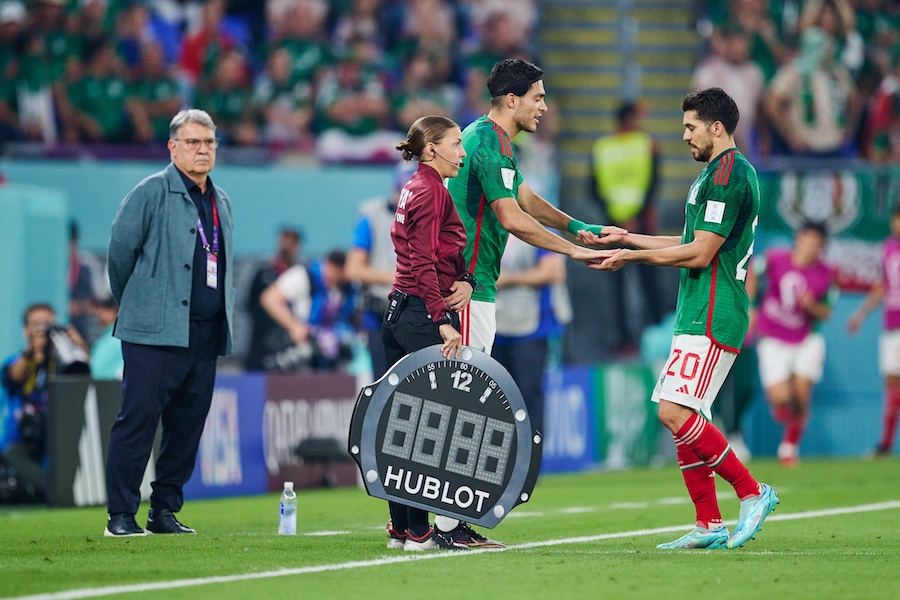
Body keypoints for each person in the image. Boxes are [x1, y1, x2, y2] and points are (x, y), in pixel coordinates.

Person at [587, 87, 779, 550]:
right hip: (696, 309)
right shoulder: (715, 173)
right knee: (683, 414)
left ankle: (753, 492)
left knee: (673, 411)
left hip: (714, 312)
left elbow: (700, 253)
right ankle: (708, 524)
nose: (685, 135)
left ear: (717, 127)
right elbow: (691, 237)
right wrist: (630, 239)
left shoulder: (729, 174)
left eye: (691, 127)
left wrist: (631, 259)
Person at [441, 57, 620, 544]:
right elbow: (512, 218)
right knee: (464, 404)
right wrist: (573, 251)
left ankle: (434, 522)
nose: (544, 106)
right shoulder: (486, 140)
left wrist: (576, 225)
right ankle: (447, 524)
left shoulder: (488, 139)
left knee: (463, 400)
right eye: (538, 97)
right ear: (513, 100)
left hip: (476, 285)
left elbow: (524, 198)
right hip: (468, 286)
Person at [104, 109, 234, 537]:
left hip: (204, 333)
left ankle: (163, 511)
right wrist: (143, 308)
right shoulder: (150, 192)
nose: (202, 150)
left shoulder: (221, 200)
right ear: (173, 147)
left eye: (209, 142)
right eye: (193, 142)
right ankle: (121, 515)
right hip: (153, 333)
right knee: (138, 420)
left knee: (186, 428)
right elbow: (119, 258)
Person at [381, 114, 479, 551]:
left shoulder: (413, 187)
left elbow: (437, 254)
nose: (463, 152)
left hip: (400, 310)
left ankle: (404, 527)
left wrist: (467, 280)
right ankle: (421, 532)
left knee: (400, 422)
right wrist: (441, 317)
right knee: (428, 425)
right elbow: (423, 262)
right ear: (431, 149)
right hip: (421, 314)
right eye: (457, 144)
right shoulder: (432, 191)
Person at [747, 222, 836, 467]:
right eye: (807, 239)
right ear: (798, 239)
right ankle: (789, 419)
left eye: (817, 243)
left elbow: (827, 311)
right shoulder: (775, 259)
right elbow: (753, 271)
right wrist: (751, 307)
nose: (811, 246)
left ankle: (789, 446)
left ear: (822, 247)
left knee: (802, 392)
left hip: (805, 337)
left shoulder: (826, 273)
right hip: (773, 334)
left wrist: (812, 306)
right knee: (780, 398)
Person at [590, 100, 665, 353]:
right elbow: (653, 183)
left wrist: (614, 216)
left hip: (612, 225)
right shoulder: (646, 144)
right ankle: (658, 334)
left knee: (618, 284)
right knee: (648, 280)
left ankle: (625, 340)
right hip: (640, 225)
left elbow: (593, 189)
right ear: (630, 119)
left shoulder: (602, 148)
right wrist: (636, 216)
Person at [1, 304, 86, 502]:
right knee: (11, 452)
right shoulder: (16, 360)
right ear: (26, 330)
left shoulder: (63, 360)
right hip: (21, 437)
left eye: (48, 324)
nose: (42, 329)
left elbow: (83, 376)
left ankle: (63, 490)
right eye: (36, 324)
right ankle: (60, 492)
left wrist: (78, 346)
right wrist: (33, 352)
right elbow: (14, 377)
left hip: (57, 433)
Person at [344, 162, 416, 378]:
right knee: (384, 383)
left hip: (416, 315)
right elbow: (353, 269)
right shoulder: (372, 215)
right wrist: (401, 279)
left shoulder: (434, 217)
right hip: (380, 314)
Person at [492, 236, 570, 434]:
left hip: (531, 328)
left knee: (528, 396)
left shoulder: (535, 230)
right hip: (494, 325)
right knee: (495, 399)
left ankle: (532, 460)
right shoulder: (481, 226)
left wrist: (507, 279)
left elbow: (554, 272)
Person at [847, 207, 900, 456]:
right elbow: (884, 285)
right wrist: (861, 314)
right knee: (891, 382)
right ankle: (887, 443)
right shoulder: (888, 248)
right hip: (892, 324)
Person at [260, 250, 357, 372]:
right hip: (302, 347)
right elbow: (270, 299)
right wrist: (294, 326)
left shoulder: (347, 287)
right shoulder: (303, 275)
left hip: (332, 352)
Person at [244, 227, 302, 371]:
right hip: (263, 341)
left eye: (290, 243)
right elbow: (251, 304)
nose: (286, 247)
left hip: (291, 343)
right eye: (283, 242)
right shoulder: (265, 275)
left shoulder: (301, 277)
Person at [90, 296, 124, 380]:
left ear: (116, 311)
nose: (100, 312)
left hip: (111, 388)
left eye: (105, 308)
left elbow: (97, 372)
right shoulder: (106, 339)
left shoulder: (117, 340)